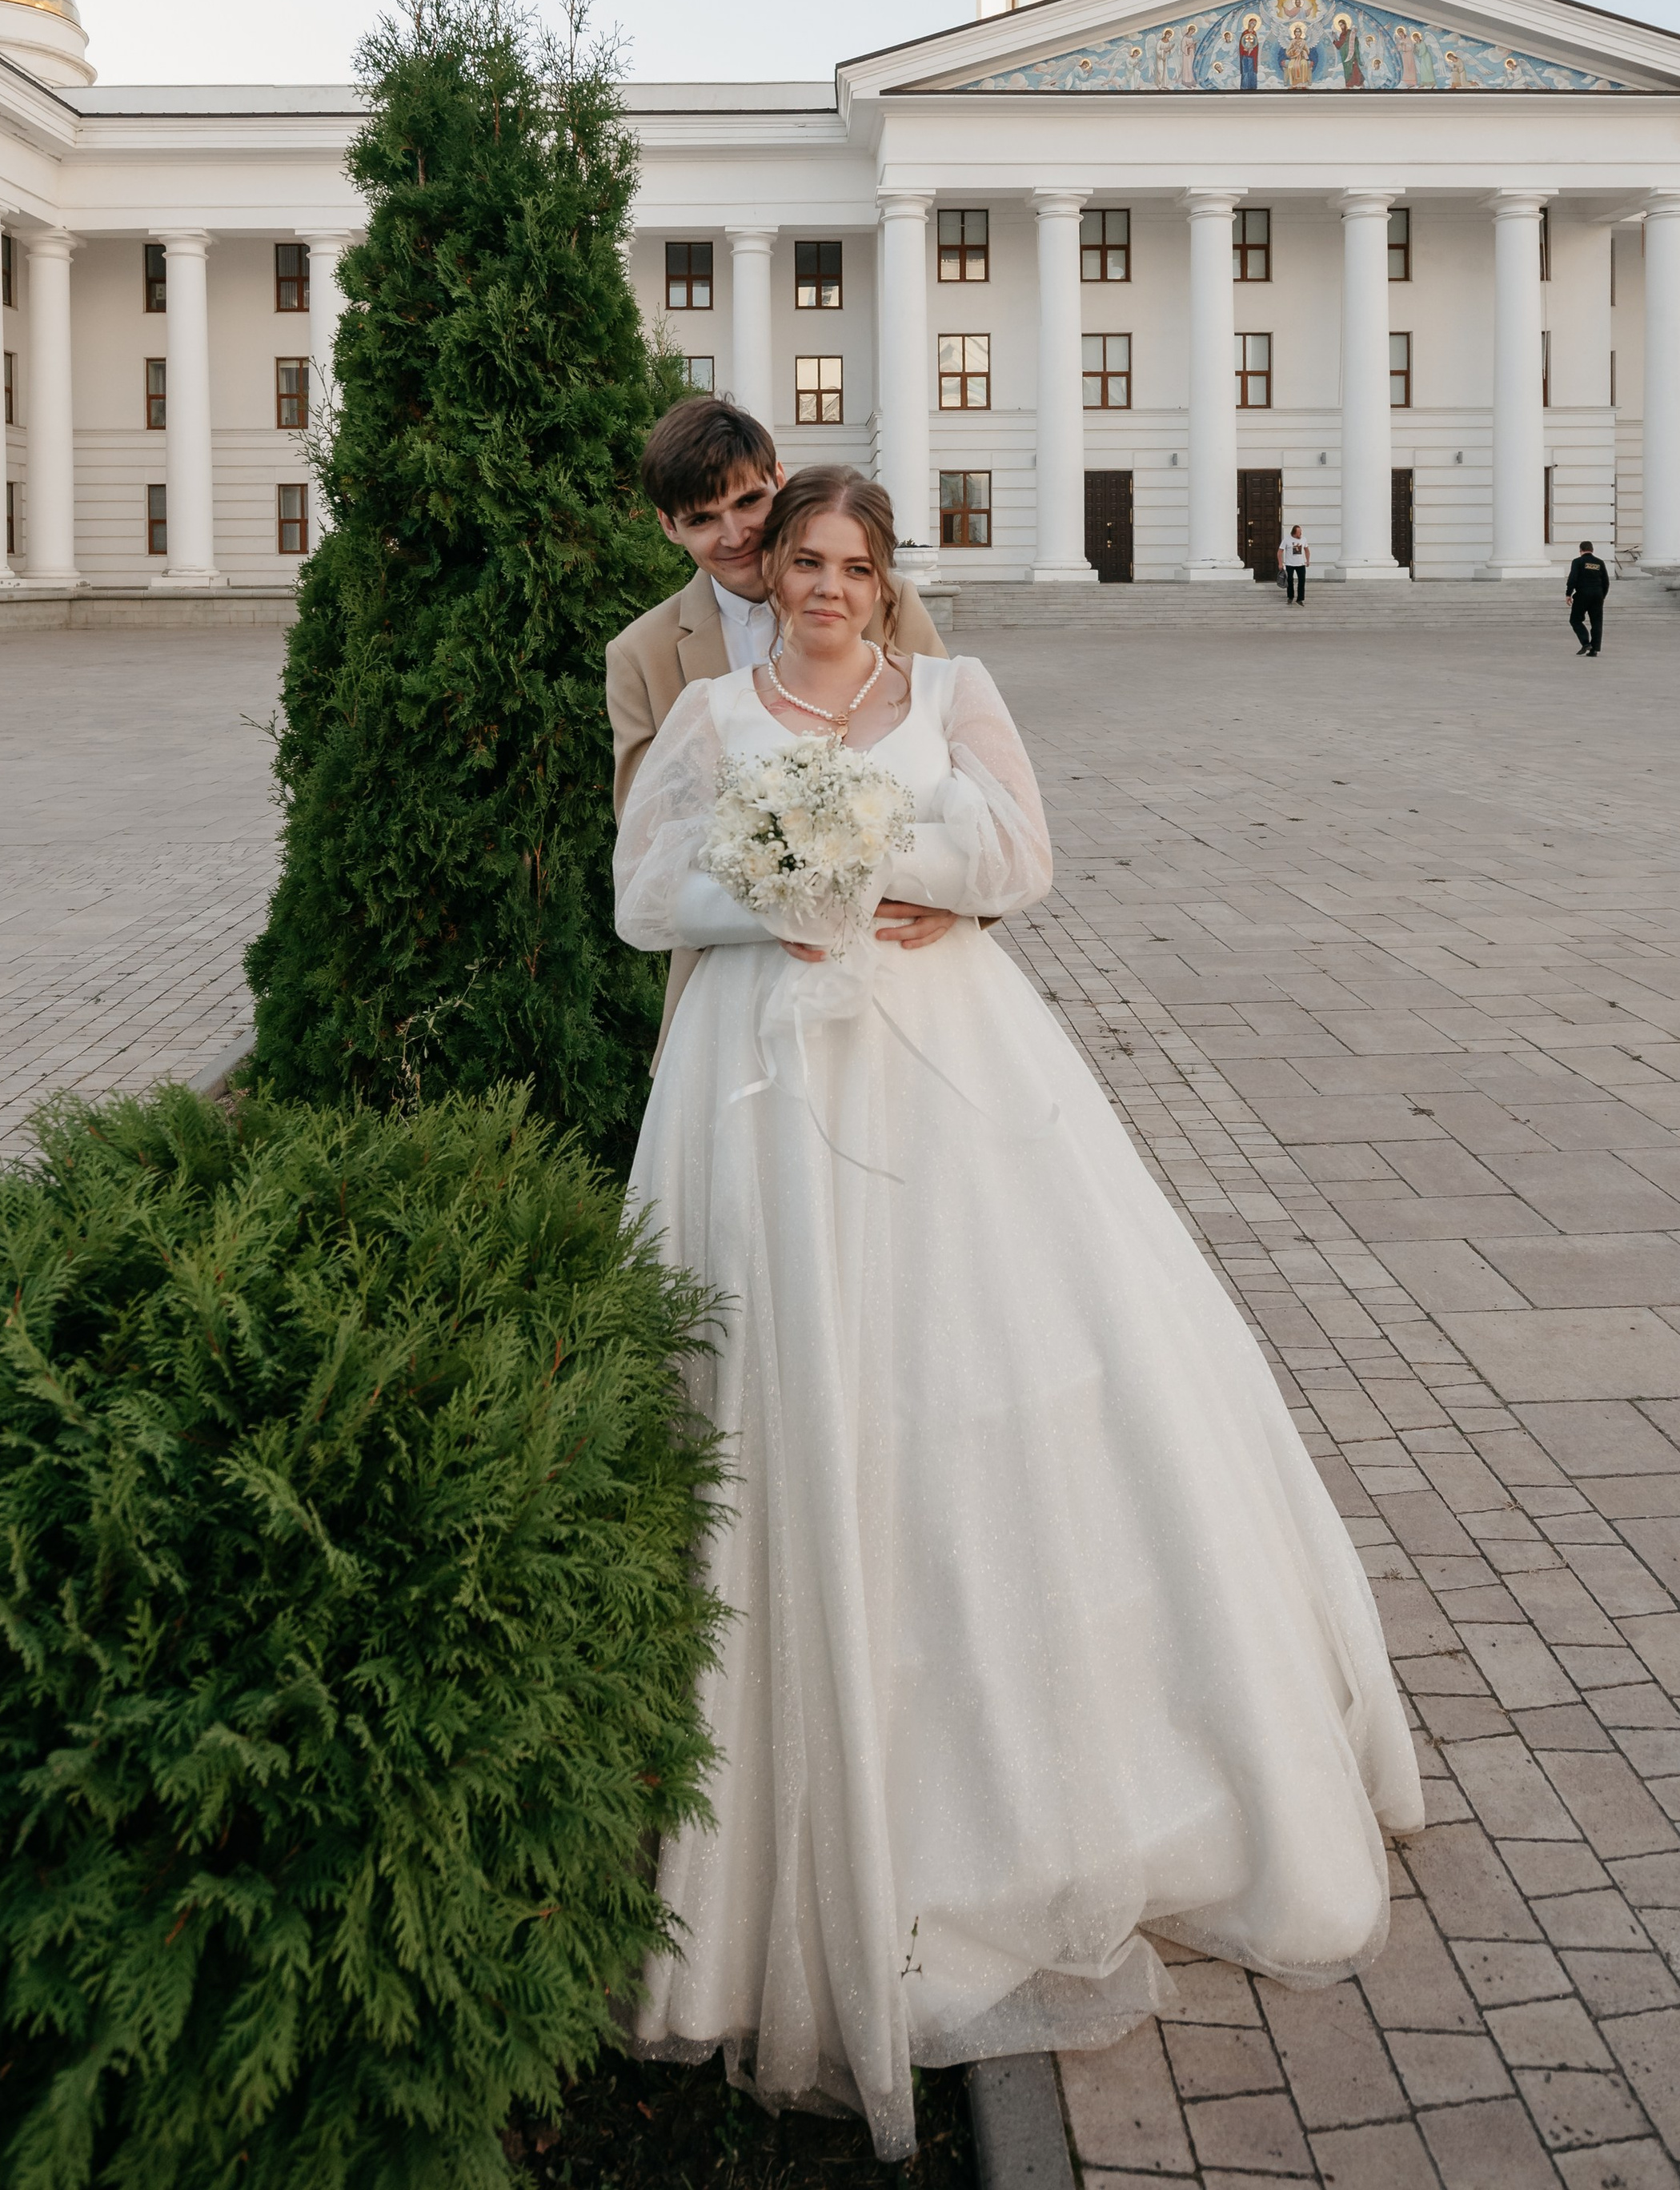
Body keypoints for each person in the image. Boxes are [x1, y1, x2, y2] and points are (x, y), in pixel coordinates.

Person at [611, 464, 1422, 2159]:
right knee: (775, 1407)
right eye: (803, 561)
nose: (825, 588)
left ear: (885, 575)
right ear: (767, 567)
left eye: (852, 563)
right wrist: (774, 888)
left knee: (982, 1395)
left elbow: (1020, 856)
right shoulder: (705, 710)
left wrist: (909, 871)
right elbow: (640, 894)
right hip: (757, 1085)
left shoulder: (955, 692)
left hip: (945, 1076)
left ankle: (1022, 1798)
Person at [606, 395, 948, 1053]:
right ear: (667, 526)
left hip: (902, 964)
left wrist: (957, 895)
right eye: (702, 518)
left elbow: (957, 764)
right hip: (737, 983)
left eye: (748, 502)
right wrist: (776, 905)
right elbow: (653, 846)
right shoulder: (642, 656)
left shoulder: (887, 599)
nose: (733, 534)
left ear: (780, 481)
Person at [1566, 536, 1609, 656]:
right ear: (1592, 550)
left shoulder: (1578, 562)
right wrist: (1602, 596)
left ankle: (1586, 643)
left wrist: (1568, 593)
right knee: (1596, 622)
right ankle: (1594, 650)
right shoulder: (1600, 563)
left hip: (1583, 594)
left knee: (1575, 620)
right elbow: (1606, 581)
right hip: (1598, 595)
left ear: (1581, 550)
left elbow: (1573, 578)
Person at [1278, 519, 1309, 604]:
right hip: (1290, 564)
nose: (1301, 534)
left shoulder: (1304, 539)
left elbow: (1307, 550)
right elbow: (1280, 552)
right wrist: (1280, 563)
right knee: (1290, 580)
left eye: (1301, 532)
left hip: (1301, 564)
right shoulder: (1287, 540)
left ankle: (1300, 599)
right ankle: (1290, 596)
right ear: (1294, 533)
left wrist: (1308, 560)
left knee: (1302, 581)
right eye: (1299, 532)